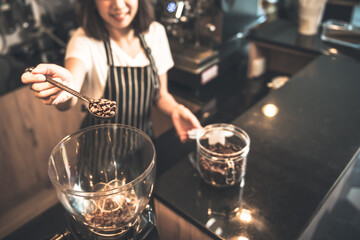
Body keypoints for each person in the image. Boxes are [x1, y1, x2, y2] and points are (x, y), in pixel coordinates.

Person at [21, 0, 201, 142]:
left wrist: (176, 109)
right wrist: (63, 92)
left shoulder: (155, 33)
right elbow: (71, 89)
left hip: (143, 143)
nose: (118, 4)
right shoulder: (83, 41)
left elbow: (160, 95)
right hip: (98, 148)